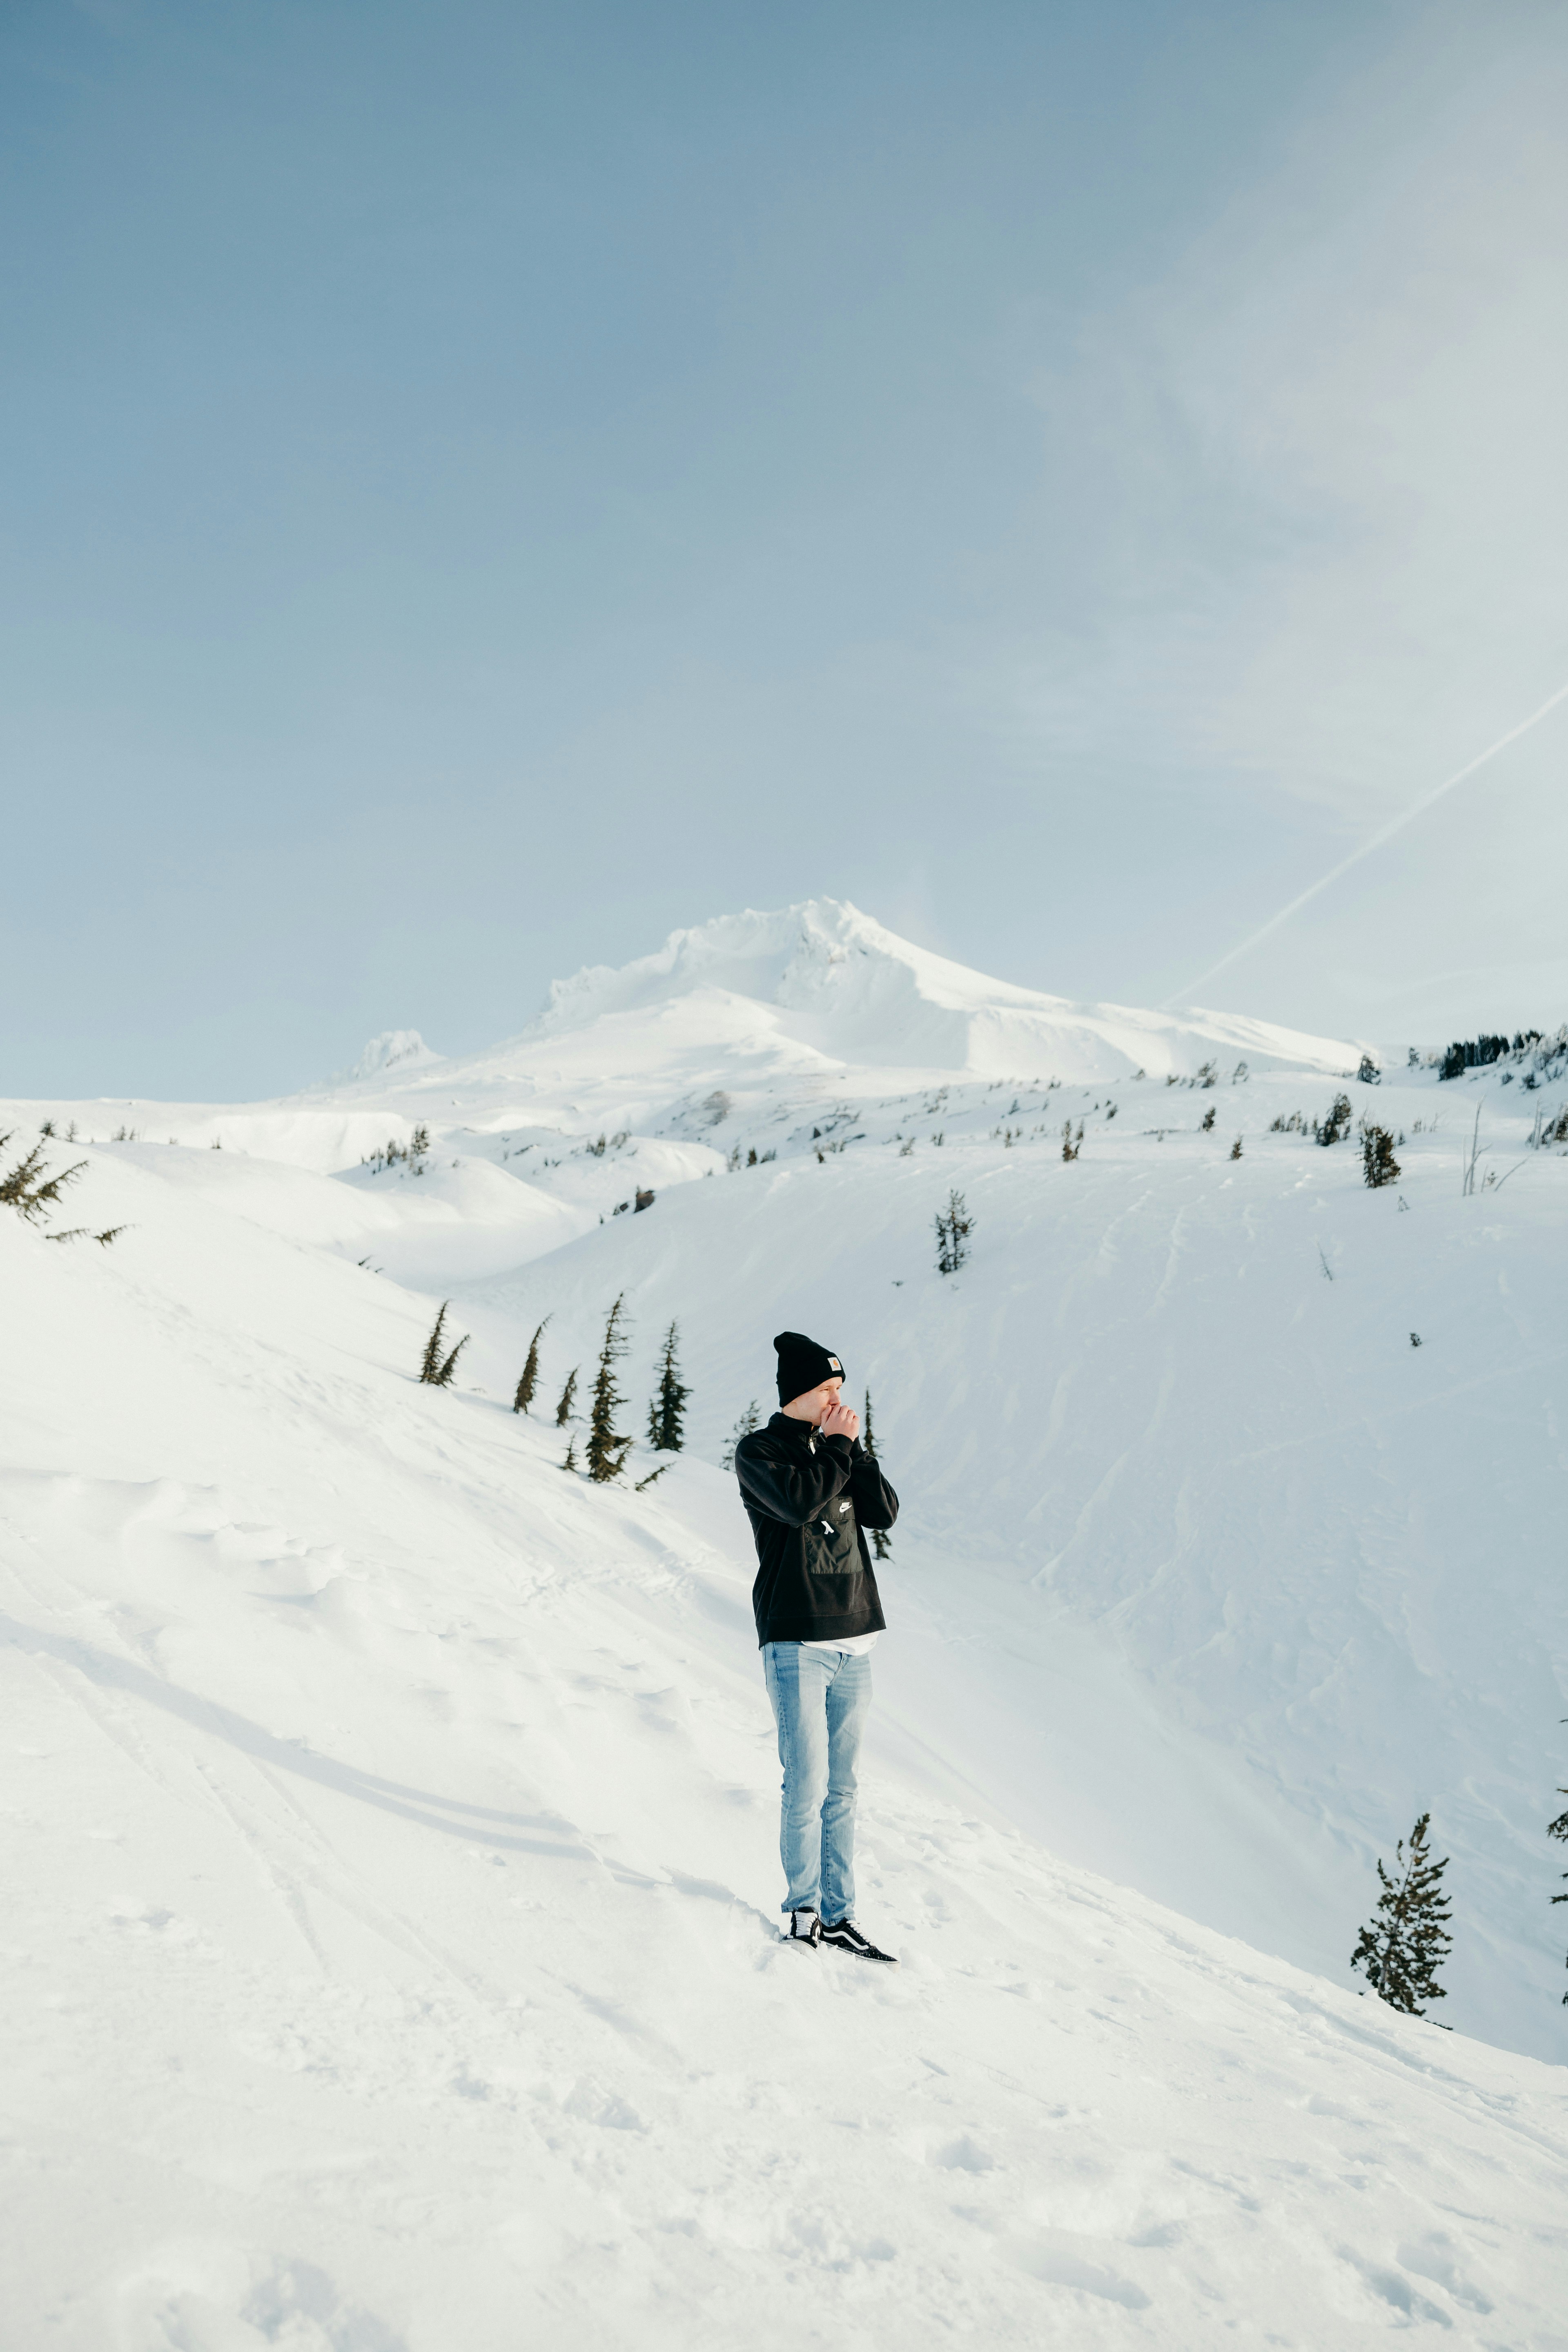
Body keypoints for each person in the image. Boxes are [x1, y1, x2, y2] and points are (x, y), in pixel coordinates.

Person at [734, 1331, 900, 1962]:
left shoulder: (837, 1450)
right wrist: (836, 1447)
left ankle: (840, 1916)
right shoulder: (761, 1451)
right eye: (826, 1390)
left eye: (839, 1389)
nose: (836, 1400)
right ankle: (802, 1911)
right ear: (796, 1395)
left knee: (844, 1790)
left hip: (856, 1637)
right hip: (798, 1637)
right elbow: (799, 1505)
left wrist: (855, 1455)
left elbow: (883, 1513)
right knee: (804, 1784)